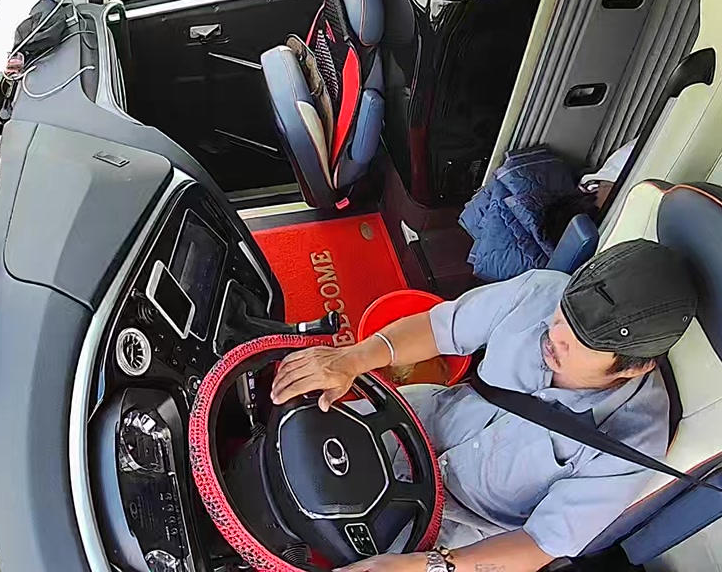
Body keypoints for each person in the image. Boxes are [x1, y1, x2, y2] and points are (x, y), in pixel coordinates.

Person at [270, 239, 699, 572]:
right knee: (279, 445)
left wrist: (424, 566)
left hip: (459, 528)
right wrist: (352, 359)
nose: (555, 333)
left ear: (634, 367)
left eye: (582, 341)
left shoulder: (632, 442)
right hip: (416, 423)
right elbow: (440, 328)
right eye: (564, 313)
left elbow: (539, 544)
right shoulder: (541, 291)